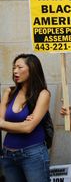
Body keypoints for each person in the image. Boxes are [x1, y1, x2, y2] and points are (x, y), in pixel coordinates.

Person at [0, 53, 51, 181]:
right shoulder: (9, 92)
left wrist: (7, 124)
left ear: (32, 69)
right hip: (7, 155)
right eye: (13, 68)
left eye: (19, 67)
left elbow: (28, 128)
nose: (15, 71)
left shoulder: (43, 94)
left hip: (33, 154)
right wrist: (21, 125)